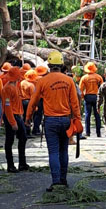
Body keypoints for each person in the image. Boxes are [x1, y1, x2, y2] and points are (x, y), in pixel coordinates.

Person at [26, 50, 80, 192]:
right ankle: (63, 180)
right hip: (66, 120)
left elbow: (33, 102)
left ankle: (56, 182)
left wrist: (28, 118)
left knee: (54, 152)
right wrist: (77, 119)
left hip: (51, 121)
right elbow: (75, 103)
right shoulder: (69, 81)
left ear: (49, 65)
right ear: (61, 64)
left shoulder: (42, 81)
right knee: (64, 151)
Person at [0, 65, 28, 172]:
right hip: (12, 117)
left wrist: (21, 114)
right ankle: (10, 165)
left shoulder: (14, 86)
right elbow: (7, 106)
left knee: (22, 138)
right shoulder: (7, 88)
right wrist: (13, 122)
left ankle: (22, 163)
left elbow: (16, 103)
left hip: (16, 116)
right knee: (10, 141)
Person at [79, 62, 104, 138]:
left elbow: (80, 89)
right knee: (97, 115)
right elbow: (102, 88)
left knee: (87, 115)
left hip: (88, 96)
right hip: (96, 96)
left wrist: (83, 97)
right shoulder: (99, 77)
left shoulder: (84, 78)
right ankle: (98, 133)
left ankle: (87, 133)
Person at [30, 65, 49, 135]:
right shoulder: (42, 79)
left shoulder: (34, 78)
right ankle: (37, 129)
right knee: (40, 115)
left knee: (36, 114)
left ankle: (35, 128)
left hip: (35, 98)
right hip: (41, 99)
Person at [20, 70, 37, 134]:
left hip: (22, 101)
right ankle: (27, 132)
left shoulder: (22, 82)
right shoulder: (31, 85)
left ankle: (22, 131)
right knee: (28, 117)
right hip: (29, 102)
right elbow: (33, 97)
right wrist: (35, 106)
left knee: (23, 117)